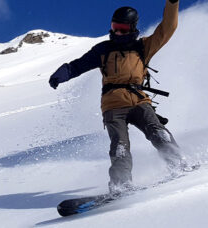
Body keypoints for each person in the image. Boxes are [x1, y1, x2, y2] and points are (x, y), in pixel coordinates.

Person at [47, 0, 195, 195]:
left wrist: (172, 3)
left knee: (158, 132)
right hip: (113, 105)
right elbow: (77, 65)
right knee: (120, 147)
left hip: (139, 100)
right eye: (115, 28)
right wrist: (62, 74)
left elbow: (167, 29)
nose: (118, 33)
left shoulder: (143, 47)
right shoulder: (103, 50)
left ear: (132, 28)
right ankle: (121, 185)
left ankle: (179, 165)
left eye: (123, 29)